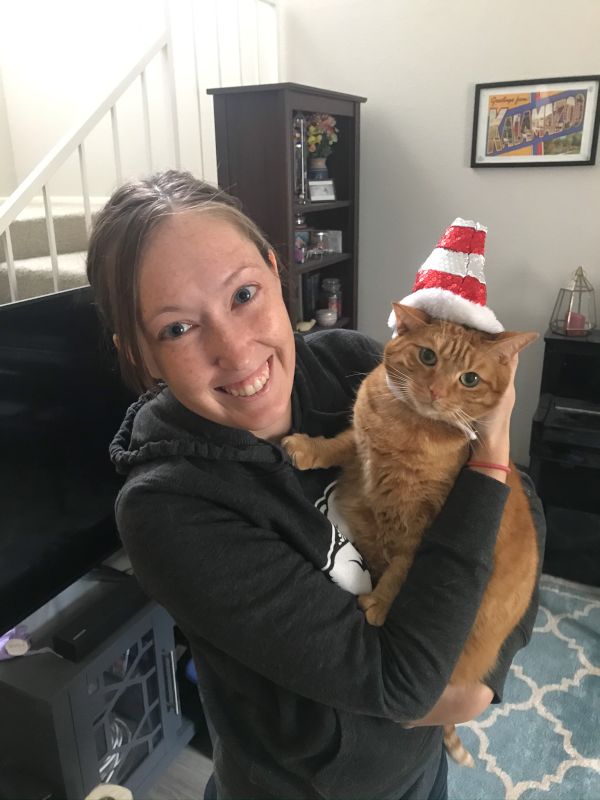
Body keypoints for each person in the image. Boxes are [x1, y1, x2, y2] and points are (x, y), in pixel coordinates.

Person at [87, 170, 545, 800]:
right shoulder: (167, 508)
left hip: (415, 771)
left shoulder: (352, 362)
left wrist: (491, 672)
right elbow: (402, 686)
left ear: (277, 272)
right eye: (177, 328)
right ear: (138, 354)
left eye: (244, 293)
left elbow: (524, 513)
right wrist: (490, 459)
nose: (235, 348)